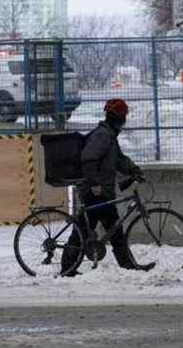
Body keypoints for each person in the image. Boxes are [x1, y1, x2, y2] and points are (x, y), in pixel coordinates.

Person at [61, 98, 145, 275]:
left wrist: (134, 170)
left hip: (100, 191)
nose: (124, 121)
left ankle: (69, 267)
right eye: (123, 117)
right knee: (103, 229)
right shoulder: (103, 136)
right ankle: (127, 265)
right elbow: (88, 159)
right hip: (94, 191)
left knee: (97, 230)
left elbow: (119, 160)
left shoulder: (110, 136)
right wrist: (94, 184)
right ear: (117, 118)